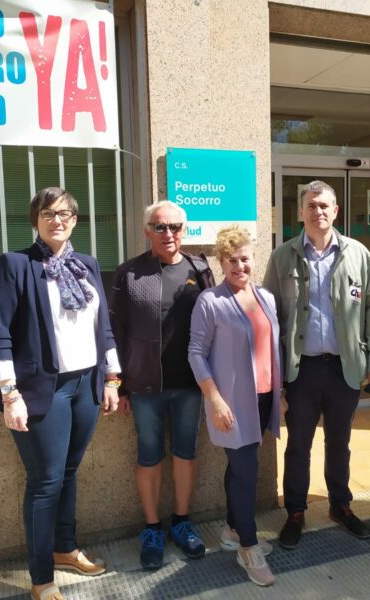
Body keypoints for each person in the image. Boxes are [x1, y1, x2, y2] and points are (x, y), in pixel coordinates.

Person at [0, 187, 121, 600]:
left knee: (69, 473)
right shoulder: (16, 264)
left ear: (75, 220)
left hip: (86, 386)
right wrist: (10, 394)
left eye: (64, 214)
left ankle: (65, 548)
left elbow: (103, 327)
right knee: (45, 482)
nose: (56, 220)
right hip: (42, 392)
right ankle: (42, 579)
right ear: (36, 220)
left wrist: (112, 378)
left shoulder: (87, 265)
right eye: (48, 213)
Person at [263, 179, 370, 549]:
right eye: (312, 205)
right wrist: (275, 377)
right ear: (301, 212)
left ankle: (340, 505)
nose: (318, 211)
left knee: (340, 442)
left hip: (343, 368)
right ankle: (296, 511)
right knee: (298, 444)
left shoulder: (358, 254)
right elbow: (270, 318)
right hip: (301, 370)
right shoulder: (283, 256)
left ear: (335, 211)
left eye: (324, 206)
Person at [109, 200, 214, 569]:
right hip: (145, 387)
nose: (168, 233)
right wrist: (120, 384)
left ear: (184, 230)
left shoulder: (200, 269)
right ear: (147, 231)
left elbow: (215, 323)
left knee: (186, 453)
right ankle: (152, 528)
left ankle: (181, 522)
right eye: (160, 227)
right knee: (149, 455)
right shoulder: (129, 273)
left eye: (175, 227)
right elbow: (115, 331)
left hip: (190, 385)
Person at [189, 226, 281, 586]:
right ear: (221, 262)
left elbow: (272, 348)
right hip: (231, 401)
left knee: (241, 467)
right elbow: (196, 353)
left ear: (254, 258)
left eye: (244, 259)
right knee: (246, 471)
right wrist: (214, 398)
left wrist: (280, 393)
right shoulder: (210, 301)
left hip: (263, 397)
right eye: (231, 260)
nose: (239, 266)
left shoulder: (265, 297)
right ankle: (249, 547)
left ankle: (231, 529)